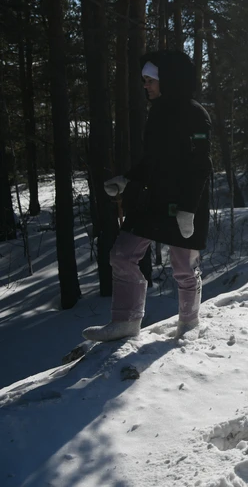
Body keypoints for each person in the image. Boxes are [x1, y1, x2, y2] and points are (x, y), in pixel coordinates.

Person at [83, 50, 212, 342]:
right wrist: (127, 179)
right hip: (153, 198)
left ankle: (189, 324)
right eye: (144, 80)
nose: (145, 85)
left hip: (185, 203)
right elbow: (153, 160)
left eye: (149, 80)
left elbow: (201, 166)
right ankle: (126, 321)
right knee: (122, 254)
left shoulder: (196, 114)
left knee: (184, 266)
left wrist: (188, 209)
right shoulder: (157, 113)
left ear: (169, 80)